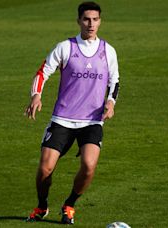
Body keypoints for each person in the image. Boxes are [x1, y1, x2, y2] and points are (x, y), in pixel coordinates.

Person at [25, 1, 120, 225]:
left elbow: (115, 80)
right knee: (45, 169)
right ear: (78, 21)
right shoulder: (65, 47)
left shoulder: (108, 51)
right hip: (63, 119)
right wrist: (36, 95)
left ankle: (69, 205)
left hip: (92, 121)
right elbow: (42, 72)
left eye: (95, 19)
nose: (91, 24)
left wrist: (111, 102)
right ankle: (42, 205)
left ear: (100, 21)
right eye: (86, 19)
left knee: (88, 166)